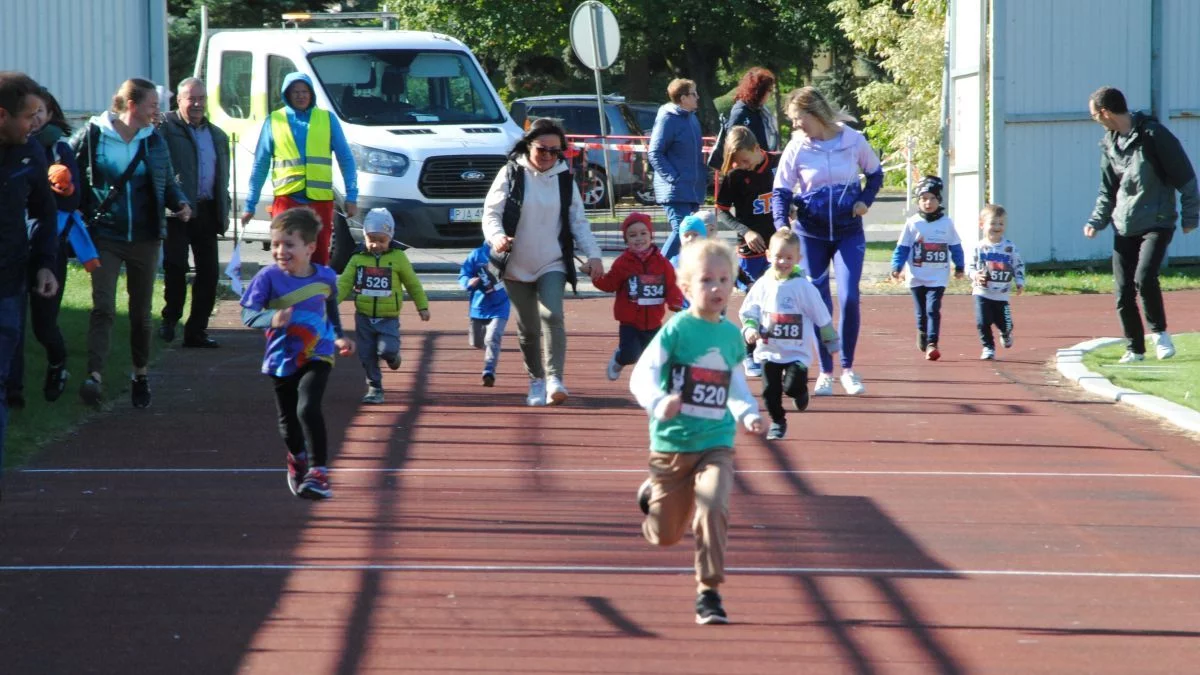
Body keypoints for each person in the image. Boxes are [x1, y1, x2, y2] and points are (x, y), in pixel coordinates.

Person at [629, 238, 764, 625]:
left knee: (712, 506)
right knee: (665, 534)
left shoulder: (730, 335)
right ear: (686, 288)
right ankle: (653, 493)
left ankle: (709, 592)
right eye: (707, 280)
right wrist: (659, 402)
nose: (717, 288)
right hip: (672, 443)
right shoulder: (676, 331)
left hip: (715, 443)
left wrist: (748, 413)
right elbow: (642, 376)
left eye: (724, 279)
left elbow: (735, 384)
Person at [72, 78, 192, 409]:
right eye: (153, 105)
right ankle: (93, 376)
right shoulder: (93, 134)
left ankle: (140, 373)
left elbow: (167, 181)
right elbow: (64, 166)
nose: (158, 111)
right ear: (132, 105)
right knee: (103, 307)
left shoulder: (155, 141)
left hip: (146, 236)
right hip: (105, 236)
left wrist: (180, 202)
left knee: (141, 313)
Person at [482, 118, 603, 407]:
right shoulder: (510, 173)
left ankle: (554, 380)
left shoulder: (564, 178)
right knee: (528, 328)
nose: (548, 155)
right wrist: (497, 237)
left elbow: (578, 222)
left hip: (553, 261)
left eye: (555, 151)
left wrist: (594, 255)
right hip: (515, 265)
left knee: (552, 315)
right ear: (528, 145)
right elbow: (490, 214)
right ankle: (536, 380)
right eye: (542, 149)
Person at [772, 86, 883, 395]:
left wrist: (865, 200)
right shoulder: (797, 148)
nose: (795, 125)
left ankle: (848, 369)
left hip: (849, 232)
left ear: (813, 114)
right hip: (811, 234)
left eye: (797, 119)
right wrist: (781, 226)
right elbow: (781, 191)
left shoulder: (853, 141)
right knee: (818, 303)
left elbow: (875, 175)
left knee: (849, 297)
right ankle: (825, 372)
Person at [241, 208, 355, 499]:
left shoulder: (327, 277)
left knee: (307, 407)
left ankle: (319, 471)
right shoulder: (267, 278)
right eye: (276, 244)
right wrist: (273, 318)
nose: (281, 251)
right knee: (288, 423)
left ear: (310, 248)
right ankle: (297, 457)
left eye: (289, 245)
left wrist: (339, 337)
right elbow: (248, 315)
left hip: (318, 352)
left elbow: (330, 309)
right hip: (282, 357)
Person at [1084, 86, 1198, 363]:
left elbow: (1186, 177)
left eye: (1094, 115)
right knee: (1123, 290)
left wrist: (1190, 216)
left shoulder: (1154, 135)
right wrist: (1096, 221)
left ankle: (1160, 335)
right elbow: (1107, 190)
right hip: (1124, 224)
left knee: (1144, 277)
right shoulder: (1109, 143)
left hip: (1157, 221)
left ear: (1105, 112)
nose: (1094, 121)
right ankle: (1135, 348)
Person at [6, 88, 88, 407]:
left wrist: (61, 186)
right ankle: (14, 391)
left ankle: (57, 364)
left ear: (52, 114)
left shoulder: (59, 149)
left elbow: (74, 199)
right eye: (31, 112)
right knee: (13, 321)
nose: (37, 118)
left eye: (43, 111)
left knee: (44, 323)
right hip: (13, 248)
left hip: (48, 246)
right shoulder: (11, 148)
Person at [0, 72, 61, 500]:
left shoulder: (32, 153)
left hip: (8, 285)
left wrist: (44, 264)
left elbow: (44, 212)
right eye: (27, 116)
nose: (34, 124)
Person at [242, 73, 357, 267]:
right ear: (287, 94)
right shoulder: (274, 120)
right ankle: (286, 296)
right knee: (286, 257)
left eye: (305, 91)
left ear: (312, 94)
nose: (301, 96)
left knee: (319, 256)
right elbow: (260, 165)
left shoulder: (327, 119)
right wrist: (250, 204)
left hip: (320, 201)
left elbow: (346, 159)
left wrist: (351, 197)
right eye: (295, 92)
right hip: (287, 199)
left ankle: (318, 296)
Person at [740, 228, 840, 440]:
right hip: (769, 350)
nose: (783, 262)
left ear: (798, 259)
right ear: (768, 256)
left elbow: (819, 312)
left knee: (792, 387)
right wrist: (750, 327)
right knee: (769, 393)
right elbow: (750, 309)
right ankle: (778, 421)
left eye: (789, 258)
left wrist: (829, 337)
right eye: (778, 257)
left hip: (796, 352)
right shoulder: (763, 284)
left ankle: (800, 393)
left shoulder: (802, 286)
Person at [158, 77, 231, 348]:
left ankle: (197, 330)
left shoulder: (218, 135)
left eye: (201, 98)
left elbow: (222, 176)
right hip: (177, 211)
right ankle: (170, 320)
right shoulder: (165, 127)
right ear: (180, 101)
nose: (197, 104)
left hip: (207, 210)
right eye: (192, 99)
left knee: (209, 272)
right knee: (175, 267)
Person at [336, 208, 429, 404]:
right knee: (367, 354)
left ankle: (393, 357)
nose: (376, 245)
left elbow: (412, 283)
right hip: (363, 316)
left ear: (390, 237)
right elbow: (344, 283)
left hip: (388, 317)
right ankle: (375, 388)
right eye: (371, 239)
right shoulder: (357, 258)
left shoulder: (398, 258)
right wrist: (330, 304)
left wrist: (422, 306)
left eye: (381, 240)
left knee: (386, 350)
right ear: (364, 237)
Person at [592, 212, 683, 381]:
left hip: (654, 321)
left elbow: (671, 286)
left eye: (643, 233)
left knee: (656, 358)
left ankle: (652, 385)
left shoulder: (662, 263)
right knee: (630, 355)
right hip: (630, 322)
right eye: (632, 235)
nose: (638, 238)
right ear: (626, 240)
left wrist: (675, 302)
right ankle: (619, 359)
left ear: (651, 236)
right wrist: (595, 275)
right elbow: (609, 284)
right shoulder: (622, 263)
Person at [890, 176, 964, 361]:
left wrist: (960, 266)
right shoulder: (913, 223)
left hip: (938, 276)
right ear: (918, 201)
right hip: (916, 276)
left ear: (939, 200)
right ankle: (922, 331)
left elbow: (955, 246)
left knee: (933, 309)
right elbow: (903, 248)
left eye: (932, 198)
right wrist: (896, 266)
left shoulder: (946, 223)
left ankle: (933, 343)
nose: (928, 203)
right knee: (921, 312)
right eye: (924, 199)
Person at [649, 78, 707, 262]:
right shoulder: (667, 119)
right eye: (693, 93)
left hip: (692, 188)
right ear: (683, 98)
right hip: (675, 190)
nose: (697, 97)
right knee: (682, 230)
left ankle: (678, 275)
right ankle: (658, 271)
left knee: (692, 232)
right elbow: (655, 152)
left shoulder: (692, 118)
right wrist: (674, 178)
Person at [970, 204, 1025, 360]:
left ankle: (1006, 333)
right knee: (982, 321)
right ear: (982, 225)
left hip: (1002, 294)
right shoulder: (979, 247)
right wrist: (975, 276)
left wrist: (1020, 281)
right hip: (982, 292)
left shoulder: (1009, 247)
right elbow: (971, 267)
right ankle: (988, 347)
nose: (997, 227)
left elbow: (1018, 264)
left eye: (1001, 223)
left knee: (1006, 324)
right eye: (993, 223)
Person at [458, 241, 511, 387]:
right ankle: (486, 347)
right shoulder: (477, 254)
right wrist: (469, 282)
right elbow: (463, 274)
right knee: (477, 342)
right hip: (478, 306)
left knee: (493, 337)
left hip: (501, 305)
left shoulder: (511, 254)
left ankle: (489, 371)